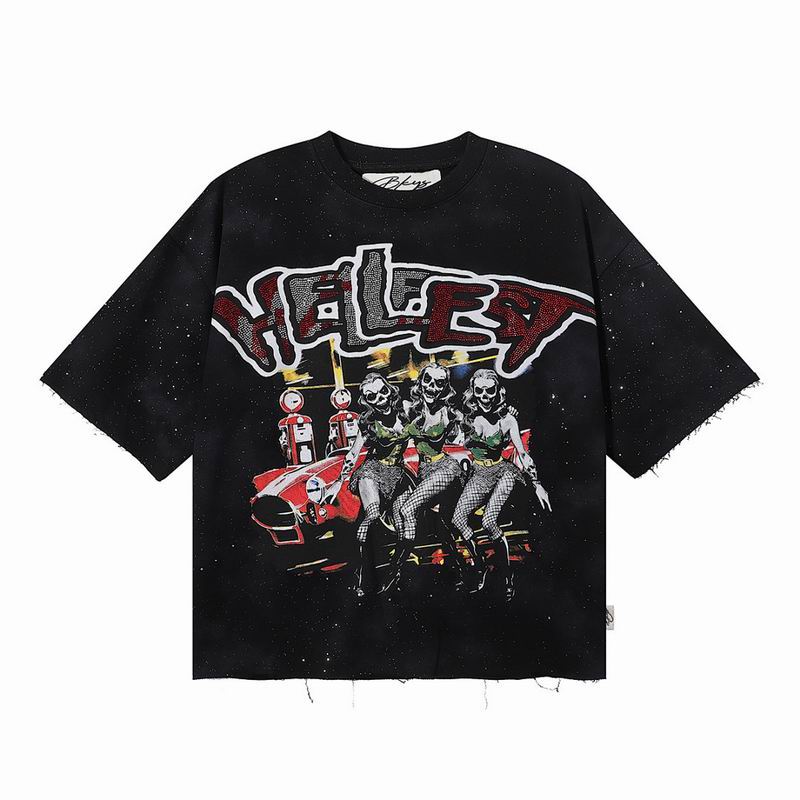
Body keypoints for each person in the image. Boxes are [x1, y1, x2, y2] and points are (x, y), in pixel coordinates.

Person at [451, 369, 552, 601]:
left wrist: (537, 484)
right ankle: (480, 566)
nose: (485, 396)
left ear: (498, 392)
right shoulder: (466, 419)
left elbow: (522, 454)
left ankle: (507, 576)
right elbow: (453, 442)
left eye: (490, 391)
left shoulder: (508, 420)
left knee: (488, 521)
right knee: (458, 519)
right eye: (479, 391)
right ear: (473, 392)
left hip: (503, 472)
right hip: (479, 473)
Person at [323, 373, 409, 596]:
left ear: (390, 390)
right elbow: (353, 454)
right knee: (371, 516)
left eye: (383, 392)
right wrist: (339, 482)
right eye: (372, 396)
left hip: (398, 473)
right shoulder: (367, 422)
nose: (380, 399)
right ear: (366, 401)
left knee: (405, 529)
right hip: (372, 471)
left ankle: (394, 574)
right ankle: (360, 575)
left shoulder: (408, 410)